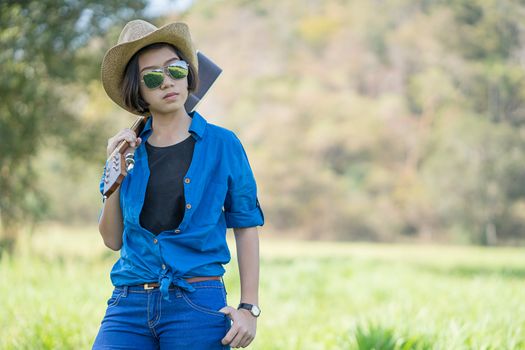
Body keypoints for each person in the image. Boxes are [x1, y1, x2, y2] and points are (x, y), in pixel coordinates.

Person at [93, 19, 264, 349]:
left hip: (197, 304)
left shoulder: (223, 145)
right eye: (153, 77)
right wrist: (114, 176)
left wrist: (249, 309)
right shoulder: (126, 150)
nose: (167, 82)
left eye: (175, 69)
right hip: (128, 304)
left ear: (189, 73)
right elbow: (112, 240)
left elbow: (245, 227)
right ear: (138, 90)